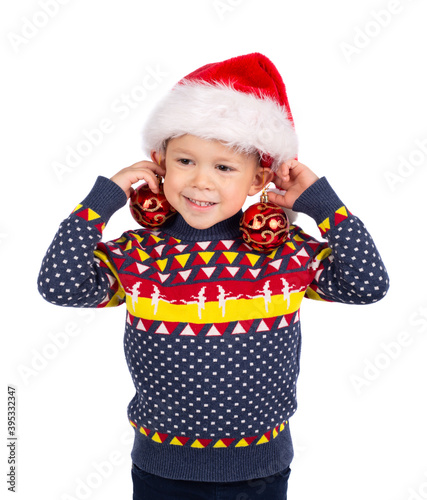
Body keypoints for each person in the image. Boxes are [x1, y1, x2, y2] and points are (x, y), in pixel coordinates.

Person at [37, 53, 389, 500]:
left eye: (223, 167)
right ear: (159, 163)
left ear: (258, 177)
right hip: (162, 469)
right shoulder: (139, 253)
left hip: (260, 470)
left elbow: (367, 284)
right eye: (185, 161)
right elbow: (60, 285)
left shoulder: (286, 253)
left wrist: (323, 205)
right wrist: (103, 198)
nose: (201, 181)